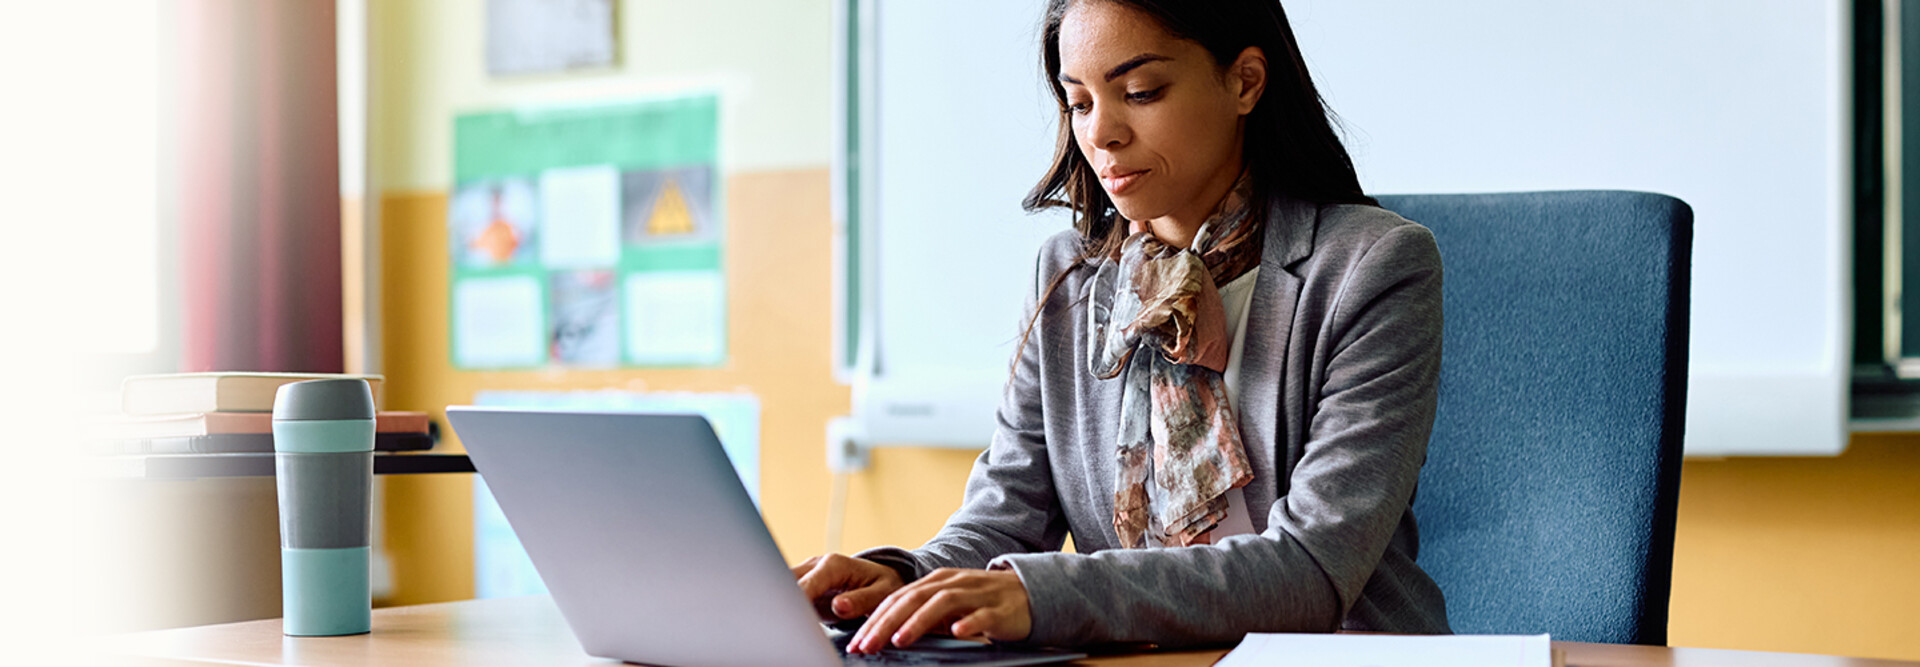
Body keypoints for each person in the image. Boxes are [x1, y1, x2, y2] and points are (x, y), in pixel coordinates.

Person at [794, 0, 1450, 652]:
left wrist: (1045, 593)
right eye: (1078, 102)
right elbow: (1007, 515)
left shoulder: (1372, 268)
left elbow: (1311, 568)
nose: (1101, 133)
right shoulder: (1068, 276)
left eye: (1140, 91)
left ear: (1245, 81)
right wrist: (906, 575)